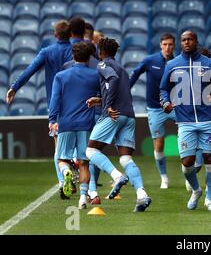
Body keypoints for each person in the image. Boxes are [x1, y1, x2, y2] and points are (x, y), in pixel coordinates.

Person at [160, 31, 211, 212]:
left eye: (190, 39)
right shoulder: (172, 65)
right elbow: (163, 89)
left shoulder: (209, 64)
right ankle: (197, 190)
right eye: (183, 40)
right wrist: (165, 102)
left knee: (209, 159)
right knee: (187, 162)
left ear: (196, 41)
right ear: (180, 43)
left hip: (208, 120)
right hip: (185, 121)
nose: (187, 42)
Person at [6, 20, 73, 199]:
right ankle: (83, 183)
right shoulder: (77, 50)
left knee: (58, 146)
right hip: (76, 104)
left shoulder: (47, 52)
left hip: (55, 105)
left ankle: (62, 180)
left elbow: (30, 70)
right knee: (77, 142)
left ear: (55, 35)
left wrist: (14, 87)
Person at [84, 37, 152, 212]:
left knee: (90, 151)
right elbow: (118, 90)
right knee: (125, 158)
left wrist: (107, 107)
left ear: (100, 51)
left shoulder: (102, 65)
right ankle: (141, 194)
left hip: (114, 114)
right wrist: (99, 100)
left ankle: (116, 176)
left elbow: (111, 80)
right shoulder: (122, 68)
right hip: (129, 115)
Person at [48, 42, 100, 209]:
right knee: (84, 163)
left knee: (62, 159)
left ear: (73, 56)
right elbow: (103, 96)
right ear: (89, 57)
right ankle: (83, 199)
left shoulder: (61, 76)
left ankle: (66, 173)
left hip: (66, 123)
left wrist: (52, 120)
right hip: (86, 124)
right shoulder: (95, 75)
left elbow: (54, 100)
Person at [129, 33, 176, 189]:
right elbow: (135, 74)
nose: (168, 47)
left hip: (176, 107)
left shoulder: (179, 62)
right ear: (161, 45)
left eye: (170, 44)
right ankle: (164, 178)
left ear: (174, 45)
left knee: (187, 139)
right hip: (155, 108)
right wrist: (124, 91)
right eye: (165, 44)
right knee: (159, 142)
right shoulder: (150, 60)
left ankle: (188, 174)